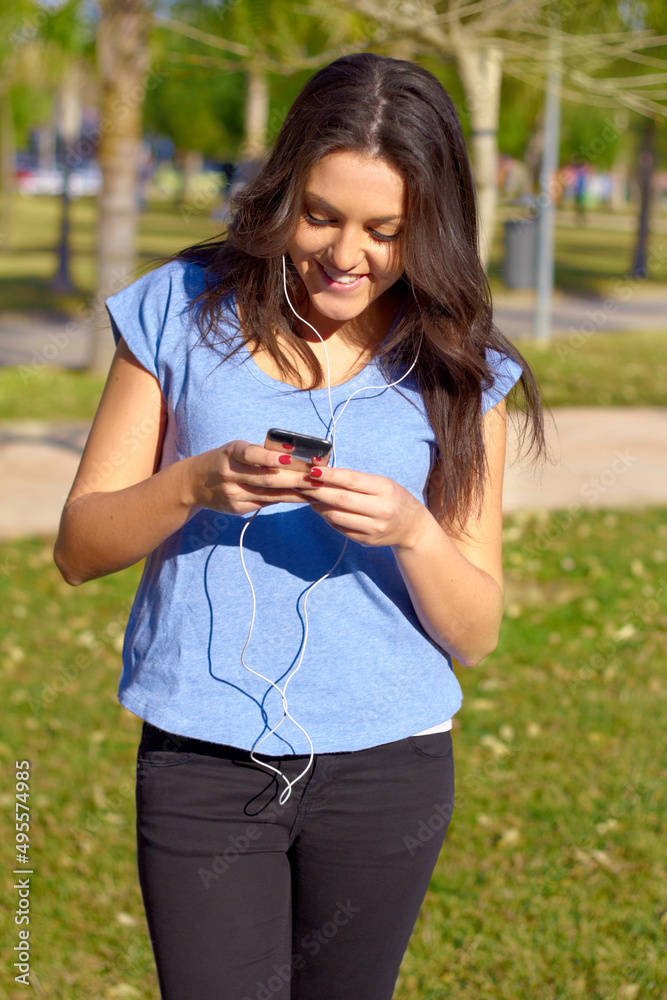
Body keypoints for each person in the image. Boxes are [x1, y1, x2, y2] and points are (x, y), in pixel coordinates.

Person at [54, 53, 545, 1000]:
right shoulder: (177, 308)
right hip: (202, 762)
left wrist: (411, 530)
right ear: (280, 189)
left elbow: (475, 634)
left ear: (429, 226)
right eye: (319, 215)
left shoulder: (457, 365)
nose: (344, 255)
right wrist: (192, 484)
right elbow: (80, 550)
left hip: (387, 772)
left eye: (385, 230)